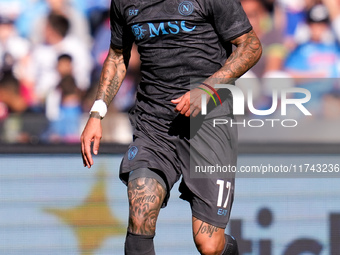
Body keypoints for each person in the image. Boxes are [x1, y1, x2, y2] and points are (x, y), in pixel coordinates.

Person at [81, 0, 262, 254]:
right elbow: (117, 55)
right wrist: (97, 112)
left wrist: (209, 88)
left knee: (208, 244)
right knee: (140, 210)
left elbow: (251, 47)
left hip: (208, 121)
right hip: (154, 123)